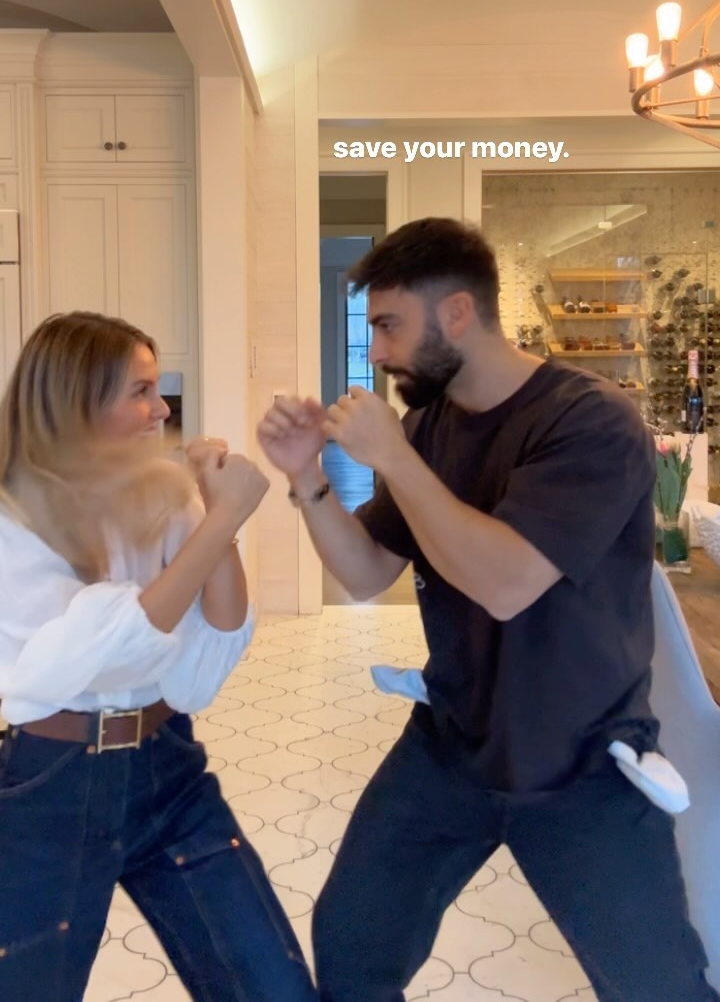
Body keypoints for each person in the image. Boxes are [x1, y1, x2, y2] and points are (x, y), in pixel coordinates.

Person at [257, 217, 719, 1002]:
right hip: (451, 746)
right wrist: (307, 478)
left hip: (583, 764)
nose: (378, 352)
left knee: (657, 986)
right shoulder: (428, 427)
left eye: (390, 326)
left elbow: (506, 584)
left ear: (458, 312)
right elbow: (365, 573)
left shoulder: (591, 422)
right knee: (352, 944)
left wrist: (394, 457)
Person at [0, 311, 318, 1002]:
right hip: (52, 784)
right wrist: (224, 517)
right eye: (141, 391)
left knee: (271, 986)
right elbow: (99, 647)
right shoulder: (11, 512)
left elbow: (220, 625)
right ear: (78, 400)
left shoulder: (161, 493)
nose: (163, 408)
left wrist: (210, 509)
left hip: (168, 768)